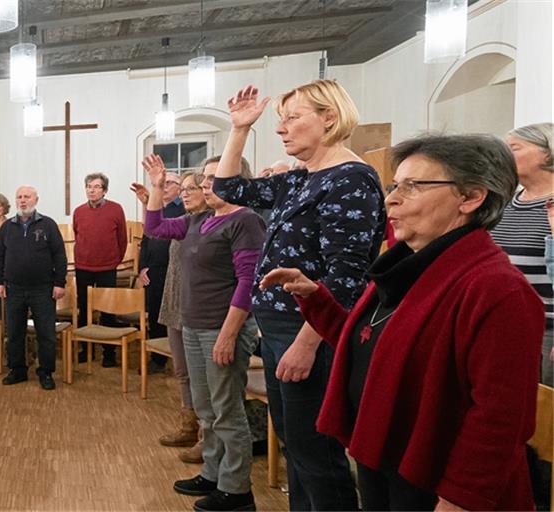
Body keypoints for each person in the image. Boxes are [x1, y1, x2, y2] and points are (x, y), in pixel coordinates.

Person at [261, 134, 544, 511]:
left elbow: (499, 419)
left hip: (438, 485)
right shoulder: (409, 266)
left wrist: (458, 500)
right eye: (395, 185)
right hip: (391, 464)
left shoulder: (497, 289)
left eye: (413, 186)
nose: (391, 198)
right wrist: (318, 301)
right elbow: (374, 348)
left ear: (471, 197)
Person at [211, 81, 383, 511]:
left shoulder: (351, 179)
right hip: (278, 326)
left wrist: (308, 343)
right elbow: (230, 189)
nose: (281, 129)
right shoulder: (303, 177)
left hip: (310, 329)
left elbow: (347, 275)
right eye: (280, 120)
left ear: (329, 117)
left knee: (317, 451)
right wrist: (239, 129)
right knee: (296, 444)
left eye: (292, 118)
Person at [143, 154, 266, 511]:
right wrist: (155, 186)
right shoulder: (201, 219)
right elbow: (155, 227)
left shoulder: (245, 221)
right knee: (207, 409)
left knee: (227, 410)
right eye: (207, 178)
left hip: (221, 328)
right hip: (194, 325)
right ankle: (212, 473)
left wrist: (229, 334)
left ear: (237, 181)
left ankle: (237, 489)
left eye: (216, 178)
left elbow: (248, 282)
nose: (208, 185)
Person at [133, 170, 211, 461]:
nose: (186, 193)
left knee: (203, 375)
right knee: (183, 371)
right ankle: (188, 425)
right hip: (176, 298)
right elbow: (152, 230)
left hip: (199, 304)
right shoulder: (184, 221)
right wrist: (150, 195)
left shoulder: (213, 223)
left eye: (193, 188)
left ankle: (207, 435)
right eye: (185, 188)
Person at [0, 185, 66, 391]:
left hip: (43, 288)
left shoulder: (48, 225)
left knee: (46, 333)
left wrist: (60, 283)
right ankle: (17, 370)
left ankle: (46, 372)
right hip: (13, 289)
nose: (23, 200)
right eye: (19, 197)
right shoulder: (7, 227)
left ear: (36, 200)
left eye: (27, 197)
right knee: (14, 332)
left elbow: (59, 255)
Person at [496, 122, 553, 384]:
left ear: (547, 152)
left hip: (548, 330)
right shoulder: (507, 202)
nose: (504, 156)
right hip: (510, 323)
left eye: (514, 148)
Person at [72, 172, 129, 367]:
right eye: (89, 186)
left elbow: (122, 239)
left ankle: (109, 352)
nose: (92, 190)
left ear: (104, 190)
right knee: (84, 310)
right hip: (83, 267)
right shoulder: (79, 211)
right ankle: (85, 350)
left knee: (108, 311)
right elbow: (77, 234)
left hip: (107, 267)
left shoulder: (116, 209)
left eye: (96, 187)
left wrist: (114, 261)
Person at [136, 170, 184, 345]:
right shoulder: (156, 208)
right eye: (163, 182)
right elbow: (146, 239)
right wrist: (142, 268)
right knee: (155, 312)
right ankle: (157, 357)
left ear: (180, 188)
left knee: (172, 315)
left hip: (174, 270)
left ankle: (174, 353)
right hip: (154, 270)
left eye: (170, 183)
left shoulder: (183, 208)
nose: (165, 186)